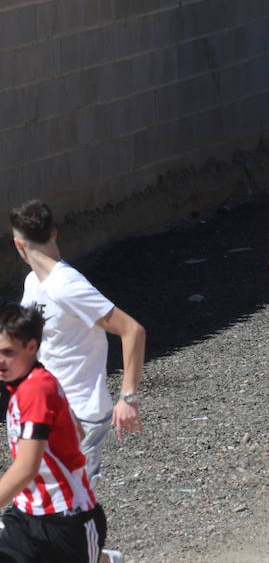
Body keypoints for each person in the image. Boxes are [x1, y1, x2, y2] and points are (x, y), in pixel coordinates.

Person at [10, 200, 146, 480]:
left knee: (71, 501)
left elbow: (132, 330)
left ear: (18, 244)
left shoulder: (68, 286)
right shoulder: (33, 283)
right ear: (55, 233)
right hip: (48, 409)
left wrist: (128, 398)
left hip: (80, 413)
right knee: (47, 496)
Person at [0, 303, 124, 563]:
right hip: (27, 515)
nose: (0, 361)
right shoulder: (25, 384)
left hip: (66, 521)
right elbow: (75, 432)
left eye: (7, 352)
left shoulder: (36, 389)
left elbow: (25, 468)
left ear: (32, 347)